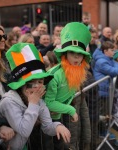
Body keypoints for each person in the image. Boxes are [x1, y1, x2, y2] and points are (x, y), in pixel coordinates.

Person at [0, 43, 71, 150]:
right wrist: (33, 104)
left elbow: (47, 126)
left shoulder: (37, 101)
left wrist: (58, 126)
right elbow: (24, 131)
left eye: (40, 82)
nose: (37, 86)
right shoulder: (9, 102)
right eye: (32, 82)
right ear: (22, 85)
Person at [44, 22, 91, 150]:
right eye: (72, 52)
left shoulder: (78, 72)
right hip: (43, 120)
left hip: (57, 117)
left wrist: (63, 109)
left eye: (80, 54)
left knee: (61, 144)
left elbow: (69, 94)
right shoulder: (54, 76)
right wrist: (71, 110)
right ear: (64, 55)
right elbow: (48, 103)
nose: (76, 56)